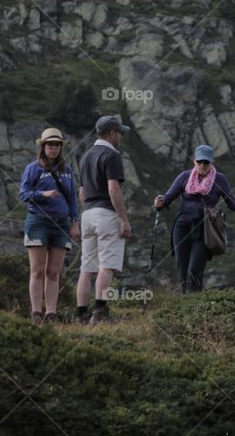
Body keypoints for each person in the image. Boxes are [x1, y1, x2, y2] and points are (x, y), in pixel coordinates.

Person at [154, 145, 235, 294]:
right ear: (194, 161)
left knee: (194, 269)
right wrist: (160, 202)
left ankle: (194, 302)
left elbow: (233, 204)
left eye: (206, 162)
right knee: (182, 267)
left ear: (212, 162)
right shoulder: (184, 177)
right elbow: (168, 198)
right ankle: (185, 305)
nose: (202, 165)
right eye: (199, 162)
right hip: (182, 226)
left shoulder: (220, 179)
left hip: (205, 229)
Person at [76, 115, 133, 325]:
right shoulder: (111, 155)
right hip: (106, 213)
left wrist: (87, 211)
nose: (121, 136)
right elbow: (113, 188)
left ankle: (81, 314)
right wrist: (123, 219)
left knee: (86, 268)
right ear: (111, 133)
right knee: (107, 266)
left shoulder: (85, 156)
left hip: (88, 214)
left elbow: (81, 193)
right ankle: (100, 313)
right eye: (119, 132)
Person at [19, 127, 79, 325]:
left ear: (61, 148)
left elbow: (72, 199)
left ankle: (51, 312)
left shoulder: (67, 171)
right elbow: (23, 194)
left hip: (61, 224)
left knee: (53, 272)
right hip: (38, 221)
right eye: (50, 145)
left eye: (57, 146)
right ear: (43, 147)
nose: (53, 149)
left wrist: (75, 222)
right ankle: (36, 311)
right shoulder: (33, 168)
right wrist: (42, 195)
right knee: (37, 270)